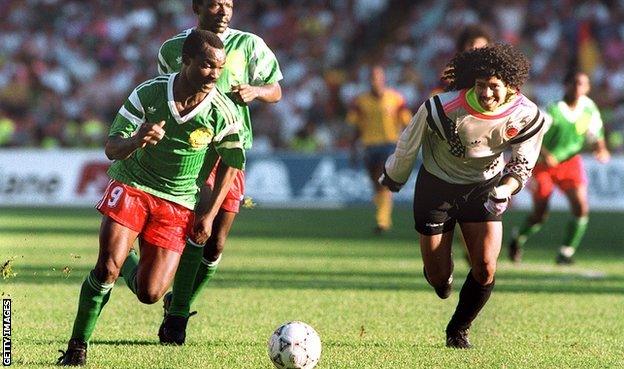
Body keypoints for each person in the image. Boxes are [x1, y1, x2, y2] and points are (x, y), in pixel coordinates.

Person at [57, 30, 245, 366]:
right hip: (133, 186)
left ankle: (127, 254)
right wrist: (138, 139)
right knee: (106, 269)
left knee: (150, 293)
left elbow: (231, 162)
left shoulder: (223, 112)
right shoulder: (150, 93)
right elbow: (112, 148)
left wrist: (209, 214)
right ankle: (76, 347)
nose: (214, 75)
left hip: (178, 201)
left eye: (219, 68)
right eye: (206, 66)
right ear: (186, 61)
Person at [379, 44, 545, 348]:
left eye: (494, 87)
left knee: (485, 267)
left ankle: (458, 330)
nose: (486, 94)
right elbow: (407, 144)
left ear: (512, 87)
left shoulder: (527, 115)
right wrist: (394, 175)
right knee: (440, 280)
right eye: (481, 86)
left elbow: (523, 164)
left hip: (484, 187)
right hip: (436, 188)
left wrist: (503, 191)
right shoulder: (440, 108)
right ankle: (441, 275)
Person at [154, 0, 282, 345]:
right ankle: (177, 318)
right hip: (194, 150)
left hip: (232, 151)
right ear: (197, 7)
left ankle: (176, 303)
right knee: (197, 229)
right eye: (215, 3)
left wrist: (256, 91)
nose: (224, 10)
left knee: (216, 243)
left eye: (229, 4)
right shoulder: (172, 48)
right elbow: (166, 91)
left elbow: (276, 90)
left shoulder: (250, 44)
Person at [508, 71, 610, 265]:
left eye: (583, 84)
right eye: (575, 83)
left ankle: (566, 252)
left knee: (581, 207)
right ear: (566, 86)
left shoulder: (589, 109)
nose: (578, 88)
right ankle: (517, 238)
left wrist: (601, 149)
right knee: (540, 213)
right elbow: (531, 135)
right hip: (542, 166)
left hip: (570, 163)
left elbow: (596, 134)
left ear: (588, 88)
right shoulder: (552, 110)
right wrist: (546, 155)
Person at [346, 65, 412, 233]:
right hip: (369, 145)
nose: (375, 81)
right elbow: (355, 127)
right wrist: (353, 148)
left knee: (382, 180)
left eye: (378, 77)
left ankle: (382, 221)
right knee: (375, 184)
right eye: (372, 77)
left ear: (383, 79)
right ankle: (382, 216)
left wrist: (408, 144)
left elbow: (407, 122)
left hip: (389, 144)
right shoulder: (361, 101)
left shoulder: (395, 98)